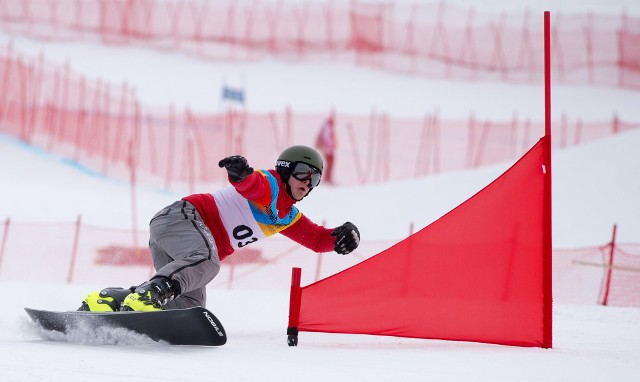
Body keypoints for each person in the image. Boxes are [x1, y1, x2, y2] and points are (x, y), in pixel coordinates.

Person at [79, 145, 360, 312]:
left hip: (183, 243)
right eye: (303, 173)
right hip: (181, 219)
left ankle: (109, 301)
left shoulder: (286, 216)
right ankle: (148, 294)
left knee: (189, 307)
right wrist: (242, 175)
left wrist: (340, 238)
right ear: (285, 170)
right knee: (209, 264)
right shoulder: (270, 184)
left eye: (315, 179)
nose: (308, 182)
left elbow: (316, 239)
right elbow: (253, 186)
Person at [315, 113, 336, 184]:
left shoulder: (326, 127)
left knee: (329, 163)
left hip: (327, 149)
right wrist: (329, 147)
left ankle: (327, 178)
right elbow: (327, 138)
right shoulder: (327, 127)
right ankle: (327, 179)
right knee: (330, 163)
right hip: (328, 149)